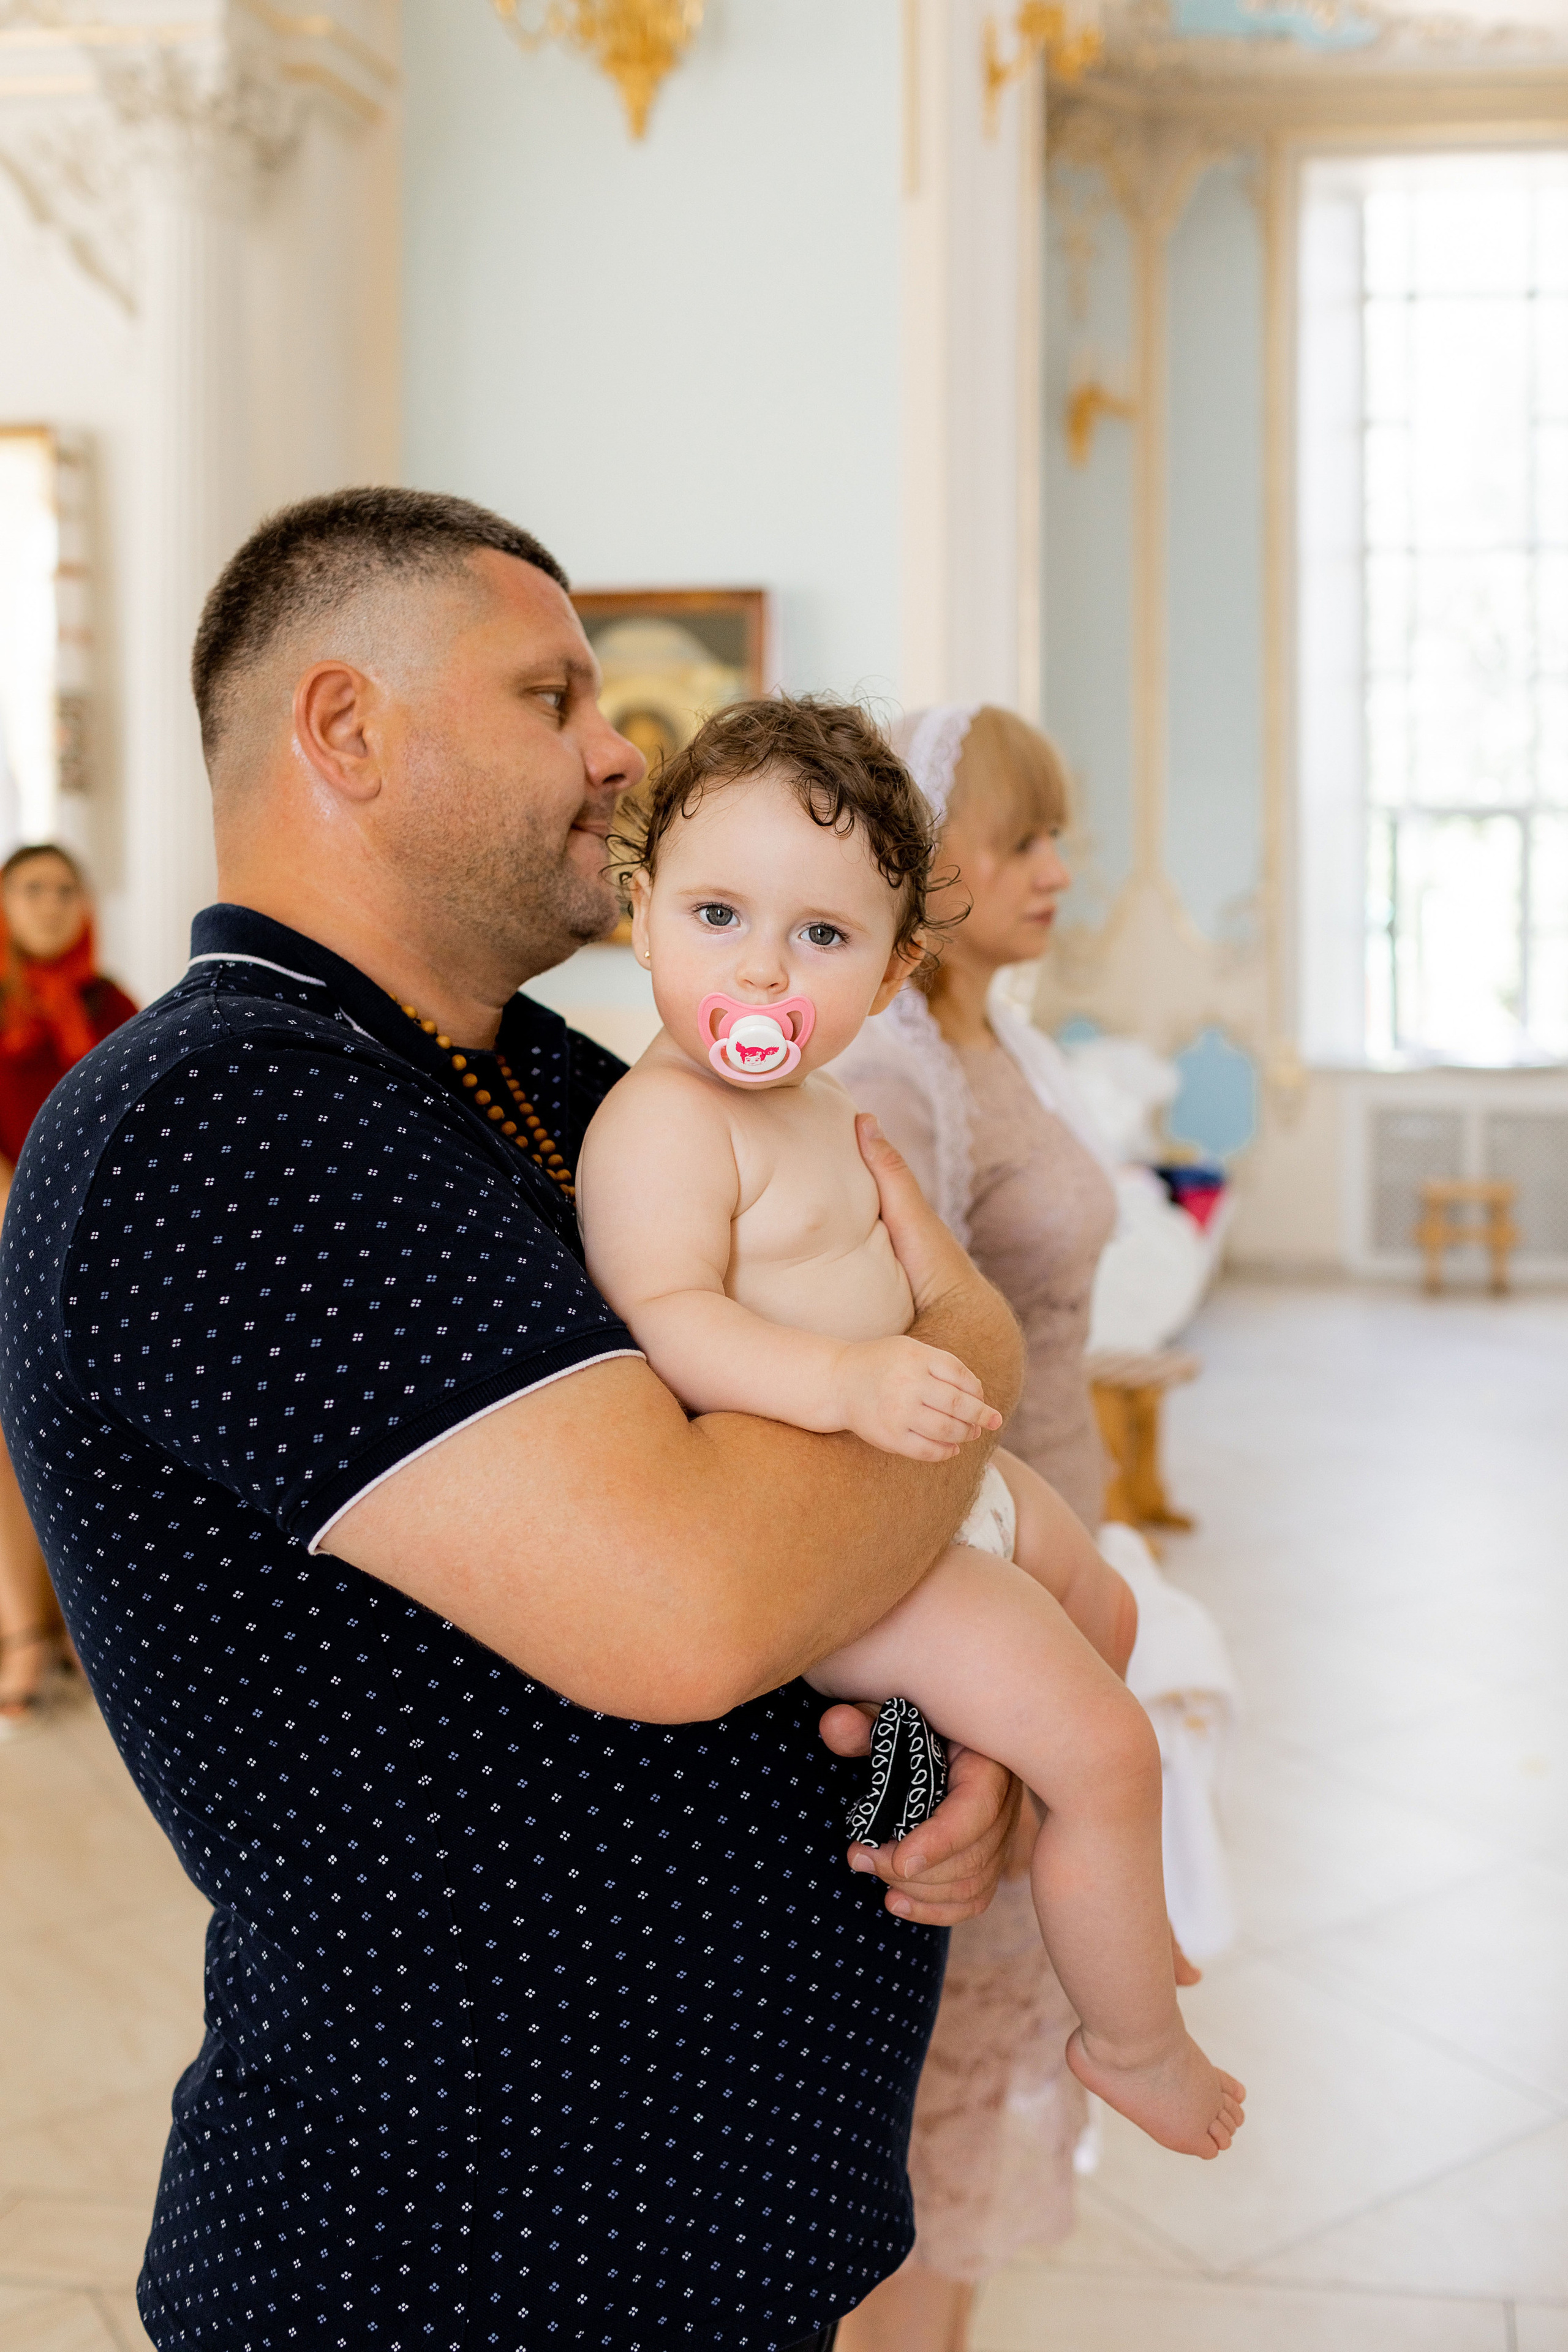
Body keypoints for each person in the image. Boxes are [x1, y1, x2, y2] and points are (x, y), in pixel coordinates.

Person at [0, 490, 1030, 2352]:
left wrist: (934, 1772)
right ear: (346, 730)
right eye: (552, 693)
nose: (618, 745)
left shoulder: (552, 1073)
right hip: (460, 2255)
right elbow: (695, 1602)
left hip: (723, 2237)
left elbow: (866, 1533)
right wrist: (960, 1357)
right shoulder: (220, 1117)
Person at [579, 696, 1243, 2163]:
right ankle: (1128, 2039)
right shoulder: (661, 1124)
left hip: (940, 1489)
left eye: (822, 937)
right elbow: (670, 1315)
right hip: (855, 1541)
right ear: (641, 920)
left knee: (1111, 1620)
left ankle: (1033, 1850)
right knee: (1109, 1751)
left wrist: (908, 1383)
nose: (761, 965)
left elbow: (917, 1282)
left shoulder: (823, 1105)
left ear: (890, 973)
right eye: (716, 914)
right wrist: (848, 1387)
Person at [833, 705, 1157, 2352]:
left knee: (980, 2057)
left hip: (1045, 1553)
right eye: (1024, 838)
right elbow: (902, 1386)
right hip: (969, 1601)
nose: (1059, 868)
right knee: (930, 2067)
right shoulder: (895, 1063)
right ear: (934, 860)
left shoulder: (994, 1037)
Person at [0, 843, 135, 1725]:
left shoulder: (107, 1001)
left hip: (85, 1254)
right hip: (1, 1240)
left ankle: (90, 1628)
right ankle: (23, 1632)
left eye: (64, 890)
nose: (50, 905)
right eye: (31, 891)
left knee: (87, 1436)